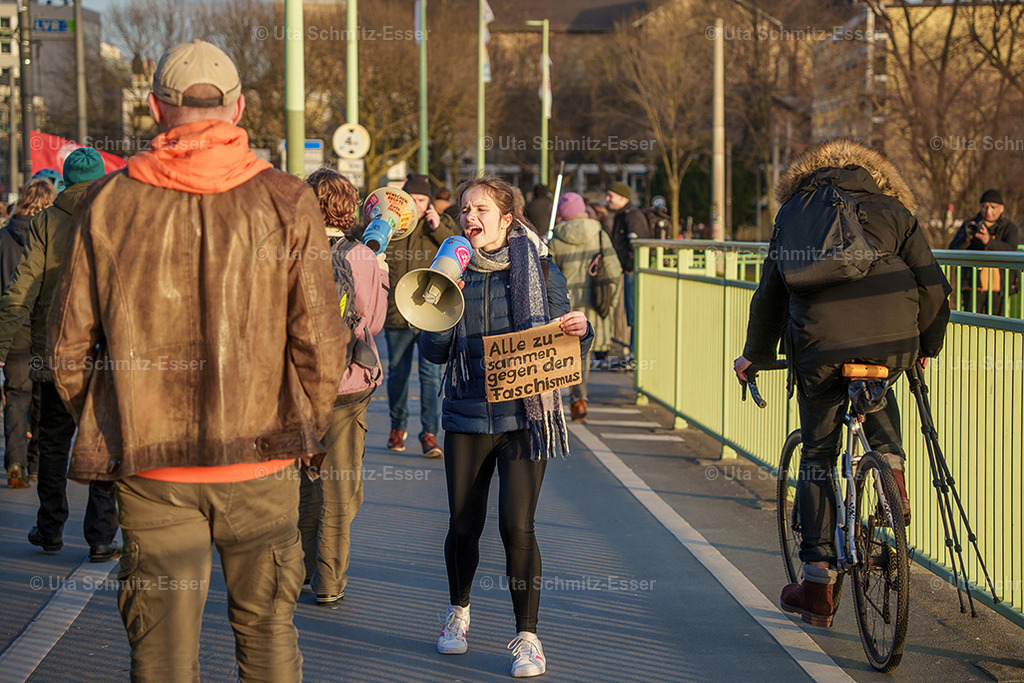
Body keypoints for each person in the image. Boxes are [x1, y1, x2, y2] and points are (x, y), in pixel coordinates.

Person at [48, 40, 347, 680]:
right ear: (238, 108)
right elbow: (322, 342)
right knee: (267, 639)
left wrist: (123, 418)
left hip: (155, 467)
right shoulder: (288, 200)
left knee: (160, 657)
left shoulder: (108, 203)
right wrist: (304, 423)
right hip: (262, 457)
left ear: (157, 109)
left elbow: (69, 348)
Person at [733, 139, 950, 627]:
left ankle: (817, 586)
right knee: (880, 384)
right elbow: (934, 287)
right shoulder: (894, 211)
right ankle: (889, 470)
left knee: (817, 456)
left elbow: (771, 294)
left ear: (805, 179)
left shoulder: (793, 215)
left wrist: (756, 355)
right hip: (893, 339)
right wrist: (924, 348)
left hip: (820, 345)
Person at [420, 175, 592, 678]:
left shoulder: (539, 270)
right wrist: (438, 302)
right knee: (463, 525)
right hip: (467, 415)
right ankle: (458, 611)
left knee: (517, 527)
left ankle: (527, 637)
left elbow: (565, 342)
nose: (469, 218)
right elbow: (433, 354)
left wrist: (583, 332)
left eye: (481, 210)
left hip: (524, 418)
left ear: (506, 219)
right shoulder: (450, 272)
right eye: (465, 210)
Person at [0, 150, 119, 561]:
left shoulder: (45, 222)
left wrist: (1, 347)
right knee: (104, 442)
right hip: (105, 356)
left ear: (65, 180)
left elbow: (21, 290)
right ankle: (102, 536)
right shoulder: (115, 218)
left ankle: (50, 528)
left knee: (52, 442)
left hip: (54, 354)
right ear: (100, 178)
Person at [298, 168, 389, 606]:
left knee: (305, 479)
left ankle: (300, 566)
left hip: (299, 384)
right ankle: (330, 580)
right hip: (348, 385)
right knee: (340, 483)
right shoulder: (364, 258)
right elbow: (373, 321)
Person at [382, 173, 460, 456]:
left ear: (429, 202)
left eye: (422, 200)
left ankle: (430, 433)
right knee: (398, 374)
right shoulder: (392, 225)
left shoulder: (440, 225)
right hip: (397, 313)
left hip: (429, 313)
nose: (416, 205)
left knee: (430, 374)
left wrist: (436, 227)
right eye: (412, 199)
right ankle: (397, 428)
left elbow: (458, 247)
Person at [0, 178, 56, 488]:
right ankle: (36, 463)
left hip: (14, 328)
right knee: (42, 396)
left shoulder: (3, 238)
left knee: (16, 395)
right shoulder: (52, 237)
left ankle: (15, 462)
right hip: (45, 326)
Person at [548, 191, 621, 422]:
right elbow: (614, 269)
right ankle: (579, 399)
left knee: (561, 352)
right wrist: (612, 302)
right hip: (593, 303)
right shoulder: (598, 233)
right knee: (584, 353)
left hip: (564, 305)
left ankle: (559, 398)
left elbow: (546, 274)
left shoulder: (555, 238)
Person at [948, 189, 1020, 315]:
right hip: (972, 286)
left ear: (1002, 208)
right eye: (984, 207)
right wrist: (967, 238)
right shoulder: (970, 225)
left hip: (999, 288)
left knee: (996, 327)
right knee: (972, 325)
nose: (988, 211)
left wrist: (988, 242)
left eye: (993, 207)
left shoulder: (1009, 228)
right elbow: (953, 251)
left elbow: (1011, 250)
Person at [606, 181, 649, 363]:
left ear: (623, 198)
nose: (607, 199)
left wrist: (630, 266)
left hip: (633, 271)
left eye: (611, 196)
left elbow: (639, 245)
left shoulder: (632, 216)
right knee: (632, 314)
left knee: (634, 314)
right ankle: (632, 354)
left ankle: (634, 355)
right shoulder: (622, 215)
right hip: (629, 270)